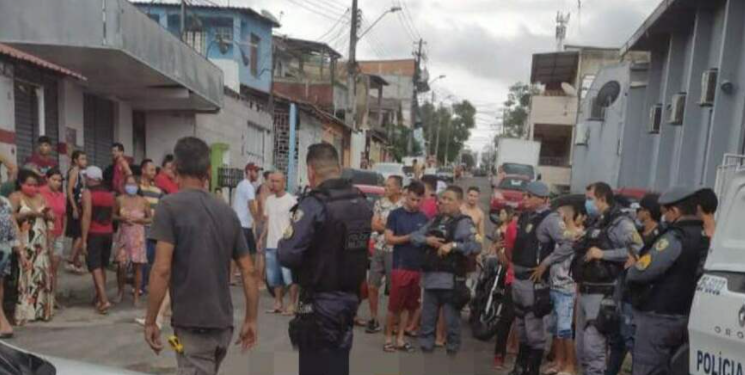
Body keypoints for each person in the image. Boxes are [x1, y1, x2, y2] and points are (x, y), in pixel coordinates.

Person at [144, 137, 259, 375]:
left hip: (194, 326)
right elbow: (248, 271)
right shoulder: (227, 212)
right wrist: (251, 319)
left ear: (175, 169)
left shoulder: (168, 206)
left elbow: (161, 269)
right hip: (222, 326)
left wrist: (150, 320)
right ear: (208, 171)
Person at [278, 143, 373, 375]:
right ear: (339, 168)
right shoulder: (361, 202)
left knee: (315, 366)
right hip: (350, 299)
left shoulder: (315, 204)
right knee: (338, 363)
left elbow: (287, 254)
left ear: (311, 171)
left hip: (319, 301)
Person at [627, 187, 708, 375]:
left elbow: (641, 272)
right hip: (686, 314)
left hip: (659, 317)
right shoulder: (705, 237)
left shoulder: (674, 237)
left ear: (675, 211)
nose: (665, 218)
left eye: (665, 213)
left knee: (648, 368)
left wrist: (632, 268)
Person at [574, 182, 643, 375]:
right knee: (581, 351)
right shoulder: (597, 222)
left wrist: (603, 255)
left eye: (590, 199)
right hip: (585, 291)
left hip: (603, 294)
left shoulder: (621, 223)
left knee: (593, 350)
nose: (587, 203)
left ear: (602, 198)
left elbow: (639, 250)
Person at [509, 181, 574, 375]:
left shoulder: (550, 219)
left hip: (533, 282)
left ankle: (533, 369)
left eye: (529, 196)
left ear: (543, 199)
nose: (525, 198)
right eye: (525, 195)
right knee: (521, 326)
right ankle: (520, 367)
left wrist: (547, 262)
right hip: (518, 278)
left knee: (534, 329)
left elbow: (569, 243)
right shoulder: (526, 216)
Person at [410, 185, 482, 355]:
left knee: (451, 320)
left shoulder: (464, 222)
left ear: (459, 202)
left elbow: (475, 246)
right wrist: (427, 240)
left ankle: (452, 347)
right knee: (428, 318)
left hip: (451, 281)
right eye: (443, 199)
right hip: (430, 278)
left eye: (450, 199)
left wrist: (453, 245)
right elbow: (414, 236)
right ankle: (427, 345)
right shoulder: (435, 220)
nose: (444, 202)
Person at [606, 194, 661, 375]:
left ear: (648, 212)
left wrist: (637, 262)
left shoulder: (660, 238)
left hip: (639, 299)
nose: (637, 213)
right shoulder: (635, 232)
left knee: (633, 343)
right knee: (617, 342)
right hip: (623, 293)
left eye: (640, 210)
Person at [382, 181, 428, 353]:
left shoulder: (424, 218)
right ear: (406, 195)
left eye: (418, 200)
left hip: (417, 268)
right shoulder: (395, 215)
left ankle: (400, 338)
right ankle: (388, 338)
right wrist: (410, 237)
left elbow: (426, 242)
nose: (415, 203)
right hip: (400, 266)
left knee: (409, 306)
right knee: (394, 306)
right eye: (412, 199)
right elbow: (389, 239)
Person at [545, 198, 586, 375]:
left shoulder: (579, 235)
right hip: (553, 286)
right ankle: (558, 362)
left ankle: (570, 365)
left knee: (565, 329)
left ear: (569, 214)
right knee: (556, 330)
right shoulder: (560, 233)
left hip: (567, 289)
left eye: (560, 213)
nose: (557, 216)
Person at [10, 169, 54, 323]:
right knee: (26, 275)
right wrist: (27, 214)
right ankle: (25, 313)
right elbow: (9, 217)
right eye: (29, 184)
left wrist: (48, 215)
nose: (33, 188)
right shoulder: (16, 197)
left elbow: (51, 217)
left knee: (41, 276)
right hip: (25, 242)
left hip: (41, 243)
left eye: (35, 185)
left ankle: (41, 311)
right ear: (21, 183)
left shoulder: (41, 197)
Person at [366, 175, 403, 334]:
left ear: (398, 188)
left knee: (394, 288)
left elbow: (404, 229)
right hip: (379, 248)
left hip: (396, 252)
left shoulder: (404, 205)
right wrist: (390, 229)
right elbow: (374, 224)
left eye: (389, 186)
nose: (385, 188)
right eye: (385, 186)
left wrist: (385, 226)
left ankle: (394, 321)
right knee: (372, 285)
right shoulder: (380, 202)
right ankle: (374, 319)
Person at [261, 171, 298, 315]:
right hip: (271, 244)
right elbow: (267, 222)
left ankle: (292, 304)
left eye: (277, 181)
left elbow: (295, 223)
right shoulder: (269, 201)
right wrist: (261, 238)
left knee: (289, 277)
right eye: (272, 181)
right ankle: (278, 303)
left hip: (286, 245)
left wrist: (292, 241)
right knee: (274, 278)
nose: (273, 184)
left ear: (283, 183)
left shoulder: (291, 201)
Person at [80, 166, 115, 315]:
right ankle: (99, 296)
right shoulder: (109, 194)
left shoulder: (88, 193)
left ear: (90, 178)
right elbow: (112, 214)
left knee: (94, 266)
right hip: (108, 232)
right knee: (102, 266)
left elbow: (86, 215)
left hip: (94, 232)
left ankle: (103, 299)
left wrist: (83, 239)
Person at [113, 175, 151, 307]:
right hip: (123, 235)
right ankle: (120, 291)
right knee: (121, 266)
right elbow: (113, 216)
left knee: (138, 267)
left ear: (138, 185)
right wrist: (122, 219)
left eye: (133, 184)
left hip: (138, 236)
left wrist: (139, 221)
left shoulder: (143, 201)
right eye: (128, 184)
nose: (131, 187)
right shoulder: (119, 200)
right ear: (124, 186)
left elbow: (149, 219)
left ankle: (136, 296)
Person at [493, 207, 518, 370]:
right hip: (512, 280)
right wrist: (497, 250)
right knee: (506, 319)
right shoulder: (512, 228)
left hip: (531, 283)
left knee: (524, 323)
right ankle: (499, 355)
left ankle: (520, 358)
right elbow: (505, 261)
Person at [40, 168, 66, 305]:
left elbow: (63, 215)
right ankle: (43, 297)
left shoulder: (61, 195)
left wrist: (63, 231)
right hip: (45, 234)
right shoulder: (40, 193)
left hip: (58, 234)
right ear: (47, 179)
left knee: (54, 267)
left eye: (59, 180)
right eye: (54, 180)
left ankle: (52, 297)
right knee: (45, 266)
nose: (57, 183)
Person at [233, 162, 260, 284]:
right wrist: (257, 218)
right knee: (251, 251)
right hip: (244, 224)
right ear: (248, 172)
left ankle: (232, 277)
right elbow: (251, 204)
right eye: (255, 171)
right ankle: (249, 275)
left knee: (236, 252)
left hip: (239, 223)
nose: (257, 174)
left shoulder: (241, 185)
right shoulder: (248, 186)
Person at [65, 150, 87, 274]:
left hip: (78, 206)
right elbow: (69, 191)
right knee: (80, 234)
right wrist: (74, 207)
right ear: (75, 160)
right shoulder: (74, 172)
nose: (85, 161)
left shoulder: (79, 172)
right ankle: (70, 260)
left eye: (85, 159)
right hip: (75, 206)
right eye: (82, 158)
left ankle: (76, 262)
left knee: (76, 235)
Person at [0, 194, 18, 337]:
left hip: (4, 251)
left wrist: (20, 250)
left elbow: (12, 230)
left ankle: (4, 325)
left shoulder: (5, 203)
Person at [254, 170, 272, 288]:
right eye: (271, 179)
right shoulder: (265, 191)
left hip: (260, 224)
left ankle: (260, 279)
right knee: (262, 254)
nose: (273, 182)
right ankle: (259, 281)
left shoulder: (261, 190)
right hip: (263, 224)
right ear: (266, 179)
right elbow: (266, 212)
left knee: (260, 253)